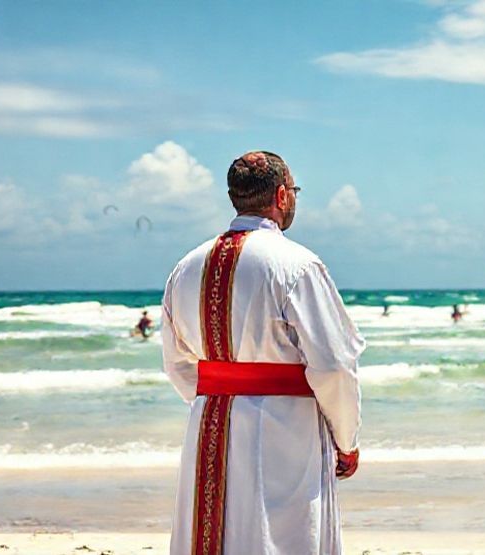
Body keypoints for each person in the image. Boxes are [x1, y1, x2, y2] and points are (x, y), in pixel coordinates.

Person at [161, 151, 364, 554]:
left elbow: (178, 364)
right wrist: (347, 439)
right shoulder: (297, 265)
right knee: (282, 539)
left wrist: (222, 397)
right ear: (283, 195)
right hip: (286, 427)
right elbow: (334, 365)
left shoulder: (186, 267)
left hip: (210, 424)